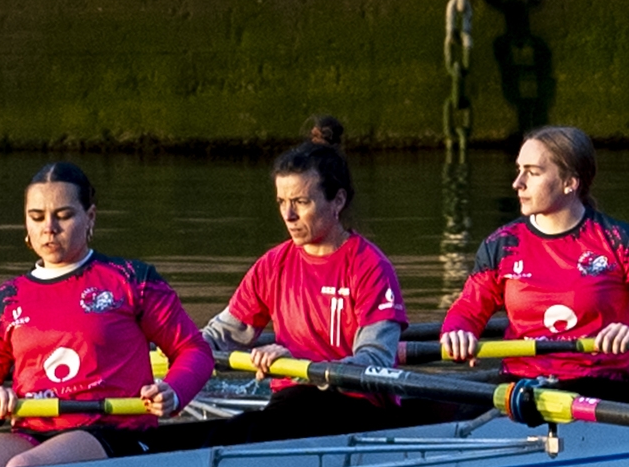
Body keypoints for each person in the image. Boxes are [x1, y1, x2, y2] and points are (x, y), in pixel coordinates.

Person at [174, 120, 473, 442]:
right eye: (281, 202)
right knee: (226, 429)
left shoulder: (369, 267)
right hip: (293, 406)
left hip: (357, 409)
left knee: (240, 432)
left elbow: (374, 360)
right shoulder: (273, 264)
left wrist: (302, 367)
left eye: (301, 203)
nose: (288, 216)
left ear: (338, 201)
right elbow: (219, 336)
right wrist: (179, 360)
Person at [0, 161, 213, 467]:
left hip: (117, 429)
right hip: (34, 431)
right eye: (37, 217)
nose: (49, 228)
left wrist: (173, 391)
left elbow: (194, 351)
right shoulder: (4, 301)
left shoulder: (133, 280)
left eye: (63, 216)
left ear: (90, 217)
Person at [440, 126, 629, 403]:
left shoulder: (621, 240)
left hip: (600, 386)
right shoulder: (502, 244)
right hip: (521, 387)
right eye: (519, 169)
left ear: (570, 182)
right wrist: (457, 332)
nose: (517, 183)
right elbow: (467, 310)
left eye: (533, 173)